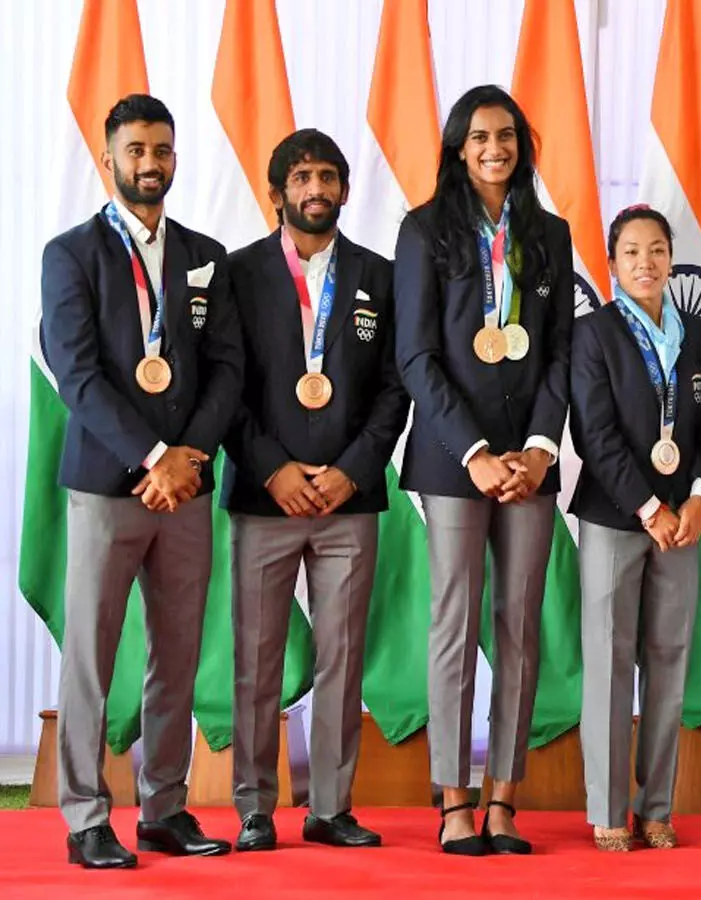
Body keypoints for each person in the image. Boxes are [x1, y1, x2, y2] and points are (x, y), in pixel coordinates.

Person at [41, 93, 242, 868]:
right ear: (109, 158)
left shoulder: (204, 255)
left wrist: (187, 458)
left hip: (185, 492)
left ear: (176, 158)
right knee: (91, 654)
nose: (149, 164)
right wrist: (154, 456)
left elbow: (227, 370)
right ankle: (88, 817)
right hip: (106, 486)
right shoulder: (71, 254)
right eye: (135, 151)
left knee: (178, 653)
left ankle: (163, 809)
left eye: (161, 150)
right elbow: (77, 375)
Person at [394, 84, 574, 855]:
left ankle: (505, 797)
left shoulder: (551, 233)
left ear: (521, 146)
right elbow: (415, 355)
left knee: (520, 628)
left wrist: (538, 447)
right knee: (454, 624)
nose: (494, 148)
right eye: (478, 137)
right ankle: (453, 799)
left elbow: (564, 350)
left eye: (505, 136)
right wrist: (473, 452)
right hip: (452, 461)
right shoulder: (424, 228)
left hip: (529, 461)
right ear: (457, 149)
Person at [221, 129, 407, 852]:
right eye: (301, 177)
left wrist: (351, 470)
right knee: (257, 658)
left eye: (327, 175)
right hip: (266, 496)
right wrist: (273, 468)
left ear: (345, 190)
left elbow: (395, 390)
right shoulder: (235, 274)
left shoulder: (380, 276)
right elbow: (224, 387)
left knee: (342, 656)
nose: (315, 188)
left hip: (347, 499)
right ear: (276, 194)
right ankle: (254, 809)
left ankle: (331, 807)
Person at [570, 205, 701, 852]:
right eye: (631, 252)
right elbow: (594, 434)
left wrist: (699, 496)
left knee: (668, 662)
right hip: (616, 516)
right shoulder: (595, 334)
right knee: (610, 661)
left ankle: (656, 807)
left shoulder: (698, 333)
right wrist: (647, 507)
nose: (645, 262)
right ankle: (608, 812)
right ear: (612, 265)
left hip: (684, 523)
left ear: (671, 256)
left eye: (656, 250)